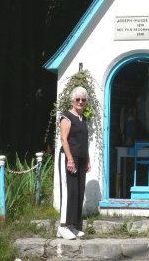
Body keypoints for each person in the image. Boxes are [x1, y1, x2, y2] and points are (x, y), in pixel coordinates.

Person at [57, 86, 91, 240]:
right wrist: (70, 159)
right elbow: (64, 139)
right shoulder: (67, 117)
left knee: (78, 192)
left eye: (83, 99)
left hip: (81, 159)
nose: (80, 102)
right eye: (77, 99)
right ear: (72, 100)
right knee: (69, 191)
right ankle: (62, 226)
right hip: (69, 158)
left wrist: (87, 159)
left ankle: (72, 225)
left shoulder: (83, 119)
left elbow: (84, 141)